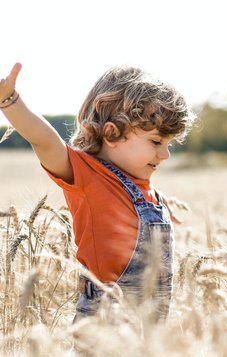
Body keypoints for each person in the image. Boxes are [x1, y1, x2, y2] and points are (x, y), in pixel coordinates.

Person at [0, 63, 195, 322]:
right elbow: (44, 140)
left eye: (168, 144)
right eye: (156, 142)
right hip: (104, 320)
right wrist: (9, 101)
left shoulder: (145, 189)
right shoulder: (87, 176)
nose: (165, 154)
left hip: (150, 324)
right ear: (112, 133)